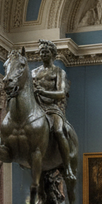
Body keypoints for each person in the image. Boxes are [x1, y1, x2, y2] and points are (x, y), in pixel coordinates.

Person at [30, 39, 76, 180]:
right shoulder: (33, 73)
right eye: (41, 52)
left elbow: (61, 93)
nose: (43, 54)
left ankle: (67, 166)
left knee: (58, 130)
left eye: (46, 52)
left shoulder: (58, 72)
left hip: (53, 108)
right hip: (36, 109)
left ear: (53, 54)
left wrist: (43, 92)